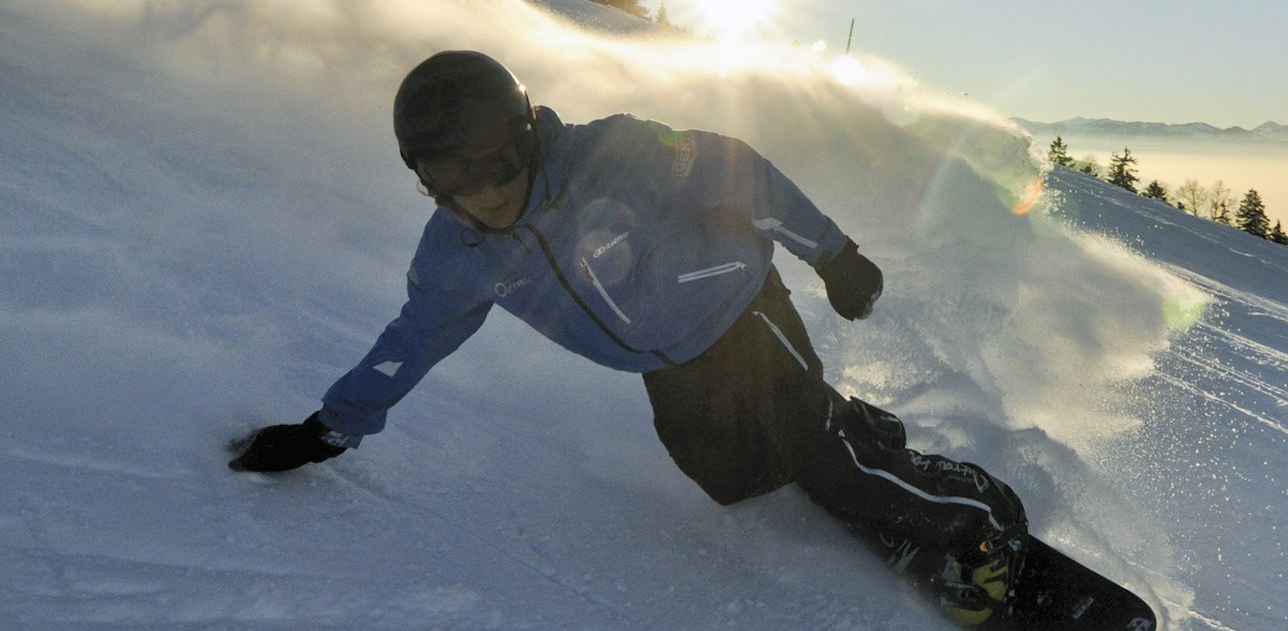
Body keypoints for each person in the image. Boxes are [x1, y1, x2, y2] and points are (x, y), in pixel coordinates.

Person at [229, 50, 1027, 624]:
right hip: (668, 365)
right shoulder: (459, 253)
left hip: (744, 317)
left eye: (494, 164)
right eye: (449, 179)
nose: (484, 193)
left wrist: (834, 255)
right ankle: (851, 428)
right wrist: (330, 428)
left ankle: (979, 522)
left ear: (526, 136)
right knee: (732, 477)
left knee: (823, 465)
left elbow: (738, 167)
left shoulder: (618, 152)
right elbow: (412, 340)